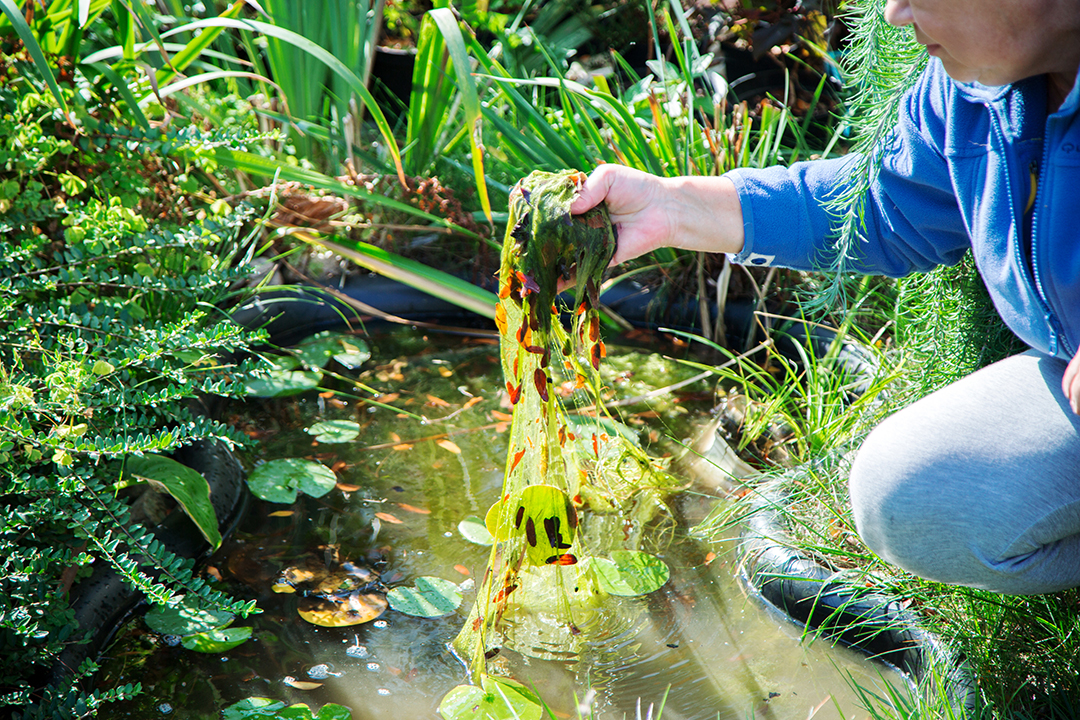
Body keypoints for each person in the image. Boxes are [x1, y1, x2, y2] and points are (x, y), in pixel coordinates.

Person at [570, 0, 1080, 594]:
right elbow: (886, 208)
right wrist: (674, 209)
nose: (893, 13)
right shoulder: (979, 93)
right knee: (911, 496)